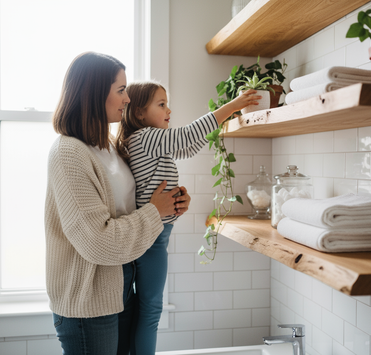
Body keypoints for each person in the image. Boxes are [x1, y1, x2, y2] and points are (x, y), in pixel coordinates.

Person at [45, 52, 191, 355]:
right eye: (120, 90)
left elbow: (133, 205)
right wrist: (156, 211)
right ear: (94, 93)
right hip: (88, 301)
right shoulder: (69, 153)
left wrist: (172, 201)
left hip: (120, 288)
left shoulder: (108, 146)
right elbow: (97, 241)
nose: (127, 99)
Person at [115, 80, 260, 354]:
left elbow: (189, 146)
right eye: (161, 104)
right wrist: (233, 105)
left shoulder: (148, 142)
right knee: (151, 310)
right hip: (153, 240)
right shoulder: (146, 138)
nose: (169, 110)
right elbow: (187, 135)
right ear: (139, 114)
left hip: (154, 235)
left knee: (144, 308)